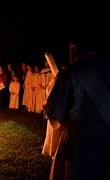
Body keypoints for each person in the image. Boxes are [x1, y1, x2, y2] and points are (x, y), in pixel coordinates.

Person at [44, 48, 110, 180]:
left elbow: (55, 119)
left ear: (74, 47)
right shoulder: (106, 68)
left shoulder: (69, 72)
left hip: (78, 146)